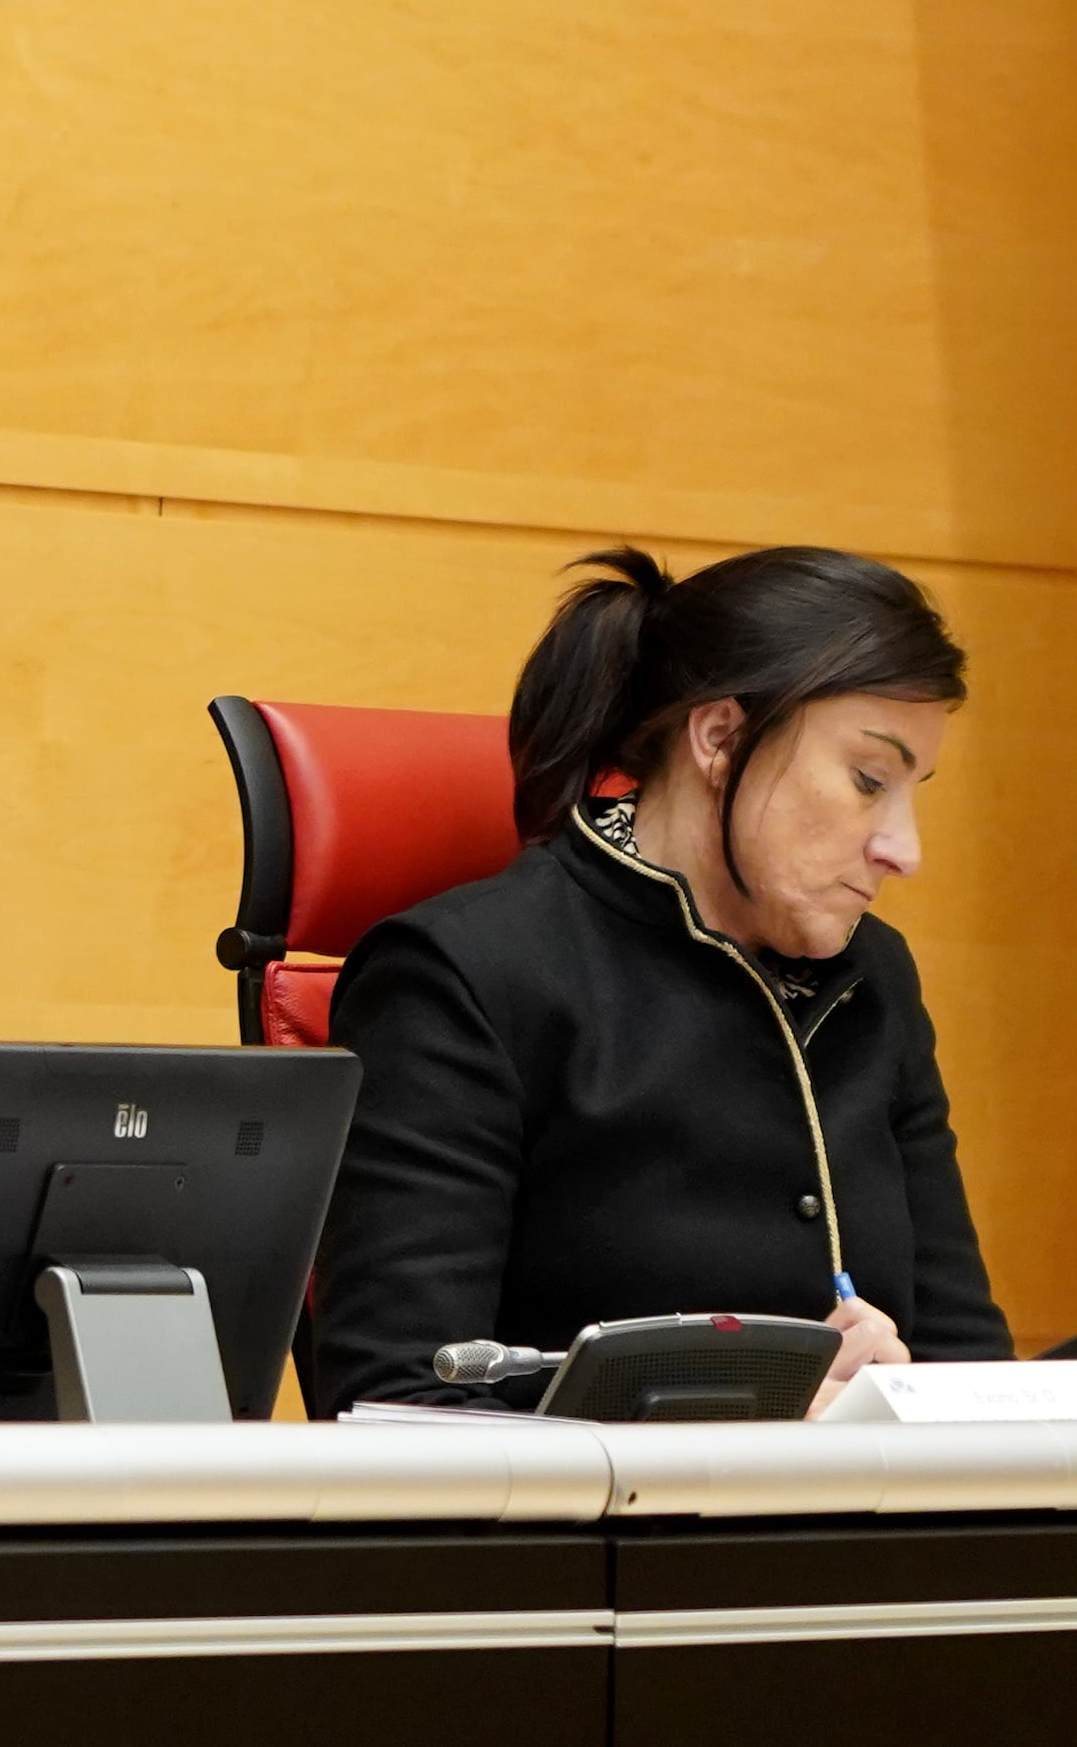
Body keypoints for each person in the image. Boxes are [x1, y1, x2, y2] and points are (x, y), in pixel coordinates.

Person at [306, 545, 1012, 1415]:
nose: (904, 849)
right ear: (719, 738)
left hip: (862, 1534)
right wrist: (758, 1416)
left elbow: (969, 1365)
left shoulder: (876, 976)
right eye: (869, 781)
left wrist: (906, 1401)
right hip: (594, 1543)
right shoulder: (465, 975)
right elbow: (404, 1398)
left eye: (912, 792)